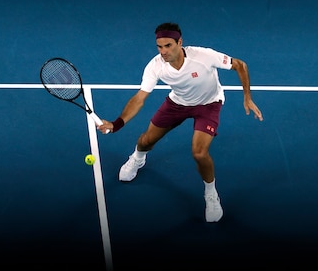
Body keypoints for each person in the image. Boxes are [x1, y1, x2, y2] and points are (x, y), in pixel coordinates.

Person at [97, 22, 263, 222]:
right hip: (177, 103)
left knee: (199, 153)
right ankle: (137, 159)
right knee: (146, 141)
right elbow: (140, 98)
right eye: (159, 46)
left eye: (168, 46)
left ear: (180, 42)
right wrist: (117, 124)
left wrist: (247, 97)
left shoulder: (203, 56)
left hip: (208, 105)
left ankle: (210, 193)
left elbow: (240, 65)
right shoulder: (156, 66)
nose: (163, 51)